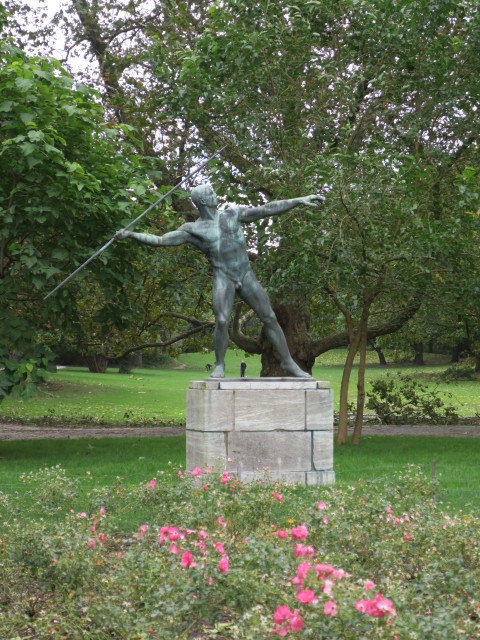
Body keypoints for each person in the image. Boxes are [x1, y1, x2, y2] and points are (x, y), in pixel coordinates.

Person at [115, 184, 322, 379]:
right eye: (211, 194)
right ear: (204, 202)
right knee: (222, 321)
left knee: (269, 316)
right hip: (224, 277)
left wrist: (299, 200)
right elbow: (161, 240)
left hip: (246, 275)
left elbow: (266, 209)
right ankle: (220, 364)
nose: (216, 196)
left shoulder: (232, 214)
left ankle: (288, 362)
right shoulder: (193, 229)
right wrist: (131, 234)